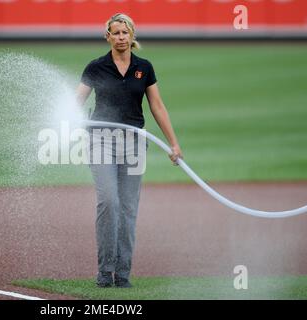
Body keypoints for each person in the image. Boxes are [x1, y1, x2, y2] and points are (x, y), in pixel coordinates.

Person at [76, 13, 183, 288]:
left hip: (134, 143)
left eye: (126, 33)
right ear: (107, 36)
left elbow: (157, 106)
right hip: (101, 140)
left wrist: (173, 143)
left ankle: (122, 275)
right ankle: (104, 272)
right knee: (108, 202)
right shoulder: (96, 67)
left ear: (132, 36)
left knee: (128, 209)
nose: (121, 37)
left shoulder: (144, 67)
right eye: (116, 33)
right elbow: (77, 102)